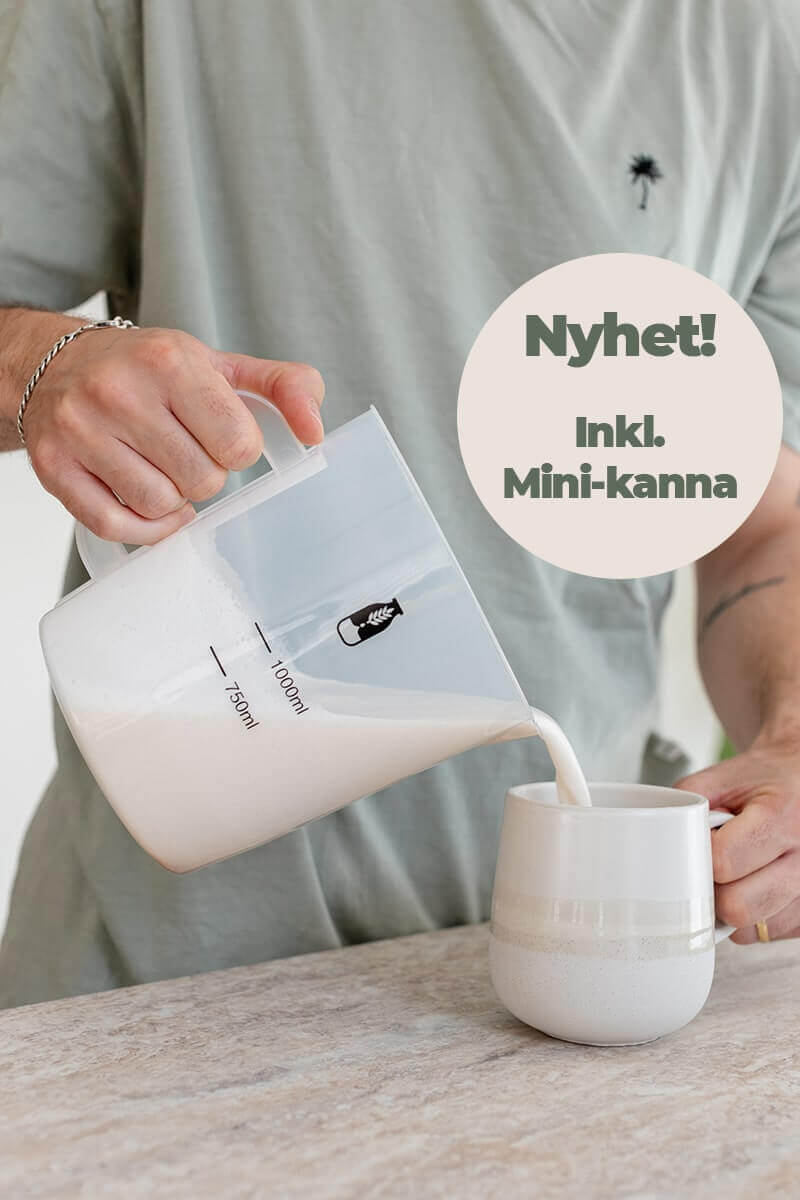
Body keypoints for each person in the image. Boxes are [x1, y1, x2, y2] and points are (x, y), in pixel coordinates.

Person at [1, 0, 799, 1008]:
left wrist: (789, 735)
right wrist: (40, 367)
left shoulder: (765, 51)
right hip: (148, 989)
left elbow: (761, 522)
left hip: (556, 973)